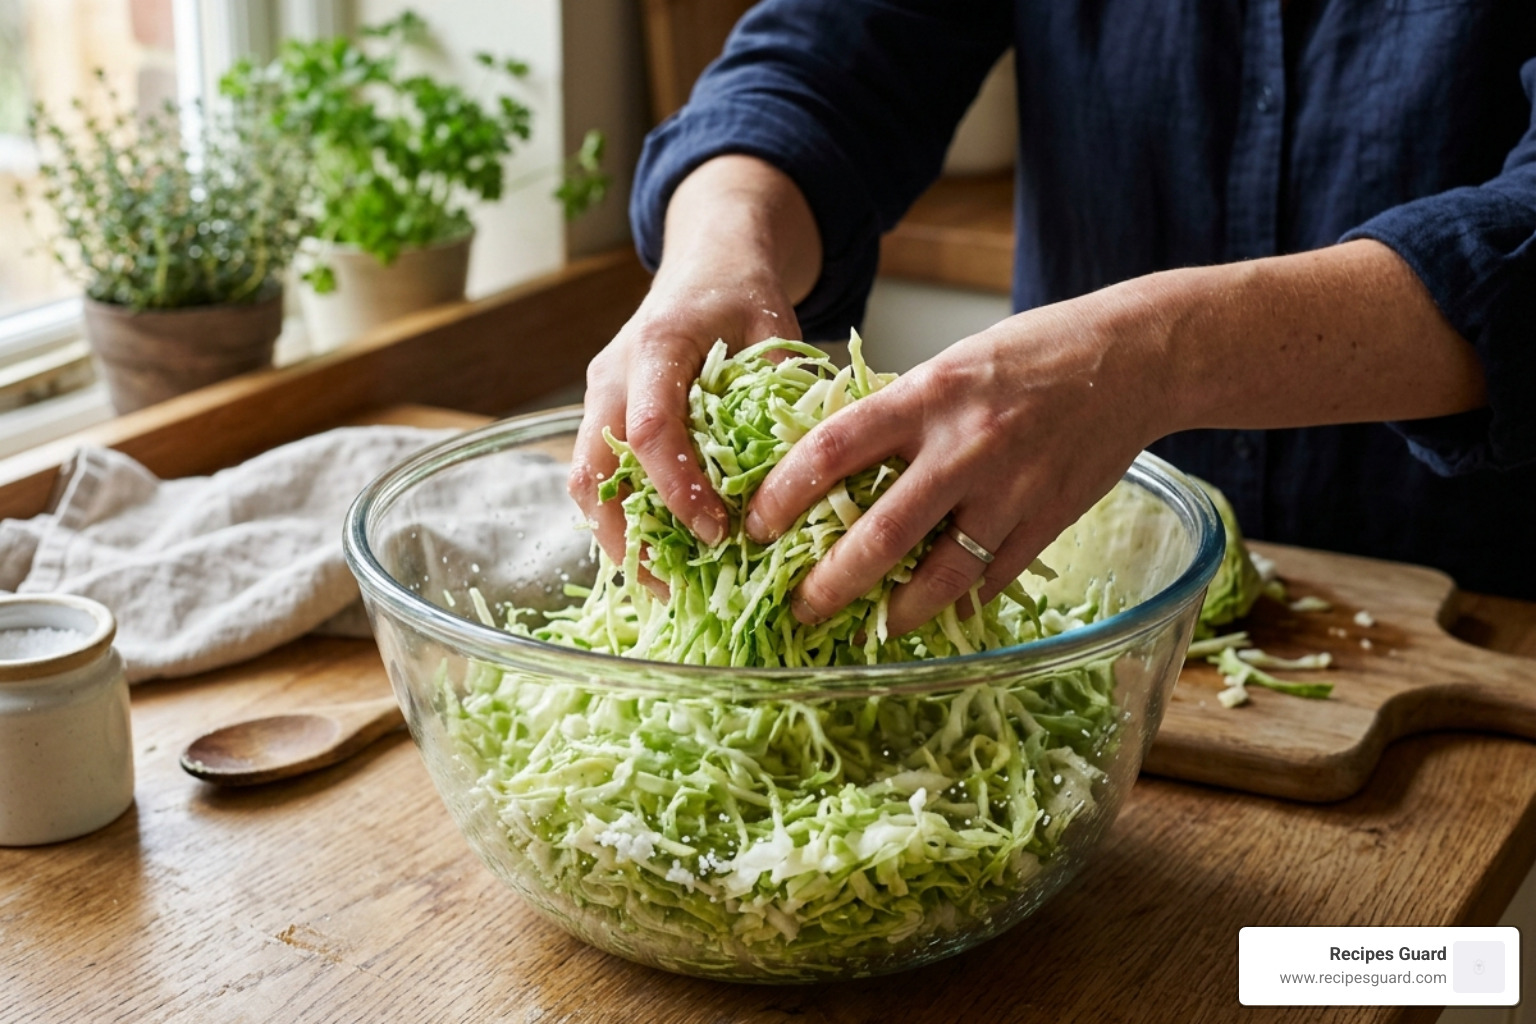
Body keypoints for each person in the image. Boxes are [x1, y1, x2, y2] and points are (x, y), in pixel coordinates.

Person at [570, 0, 1536, 635]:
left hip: (1477, 629)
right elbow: (829, 57)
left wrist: (1149, 358)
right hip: (1062, 619)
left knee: (1405, 958)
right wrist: (720, 242)